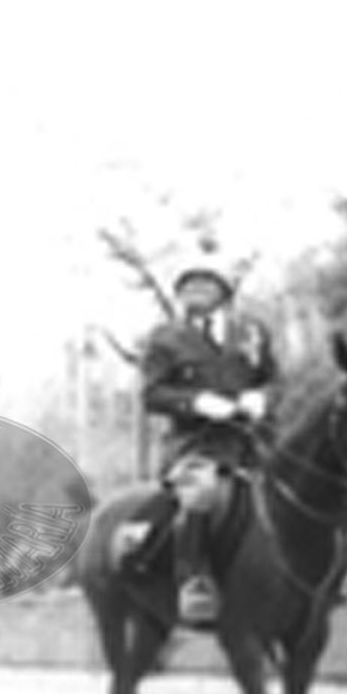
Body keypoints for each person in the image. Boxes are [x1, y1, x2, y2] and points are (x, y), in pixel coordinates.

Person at [118, 265, 279, 624]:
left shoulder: (253, 333)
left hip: (252, 440)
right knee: (201, 492)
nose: (195, 290)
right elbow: (152, 393)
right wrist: (199, 403)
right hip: (195, 443)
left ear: (223, 291)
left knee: (308, 482)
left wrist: (262, 398)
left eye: (205, 284)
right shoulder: (165, 338)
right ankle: (194, 581)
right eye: (187, 285)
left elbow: (273, 378)